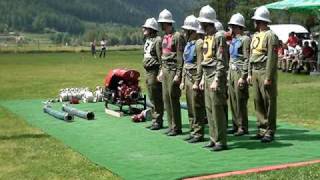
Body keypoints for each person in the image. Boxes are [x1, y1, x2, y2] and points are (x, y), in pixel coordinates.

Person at [197, 5, 229, 151]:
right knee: (209, 109)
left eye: (202, 23)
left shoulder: (219, 36)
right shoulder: (207, 37)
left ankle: (221, 140)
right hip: (207, 74)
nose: (201, 25)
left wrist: (217, 79)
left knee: (217, 109)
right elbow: (205, 59)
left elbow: (221, 60)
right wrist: (203, 78)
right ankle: (213, 137)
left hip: (216, 76)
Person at [248, 6, 279, 143]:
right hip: (255, 71)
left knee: (269, 101)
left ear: (259, 21)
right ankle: (261, 128)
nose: (254, 23)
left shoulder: (271, 36)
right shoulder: (255, 36)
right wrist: (249, 73)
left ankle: (270, 130)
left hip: (264, 71)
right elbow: (251, 55)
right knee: (257, 100)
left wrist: (268, 77)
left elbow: (272, 58)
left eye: (255, 20)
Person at [157, 9, 186, 136]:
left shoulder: (177, 36)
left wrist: (179, 74)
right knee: (166, 98)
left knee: (173, 97)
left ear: (167, 23)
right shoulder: (165, 37)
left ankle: (176, 127)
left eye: (162, 23)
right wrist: (161, 71)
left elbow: (180, 57)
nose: (161, 26)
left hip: (174, 69)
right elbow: (163, 54)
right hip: (165, 69)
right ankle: (170, 125)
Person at [179, 15, 206, 143]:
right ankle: (192, 130)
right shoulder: (188, 44)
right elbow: (185, 62)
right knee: (190, 106)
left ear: (192, 31)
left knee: (197, 106)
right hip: (188, 77)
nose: (184, 32)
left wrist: (197, 81)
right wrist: (183, 80)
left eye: (186, 30)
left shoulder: (199, 43)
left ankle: (198, 132)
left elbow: (200, 63)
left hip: (195, 77)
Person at [227, 13, 250, 136]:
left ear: (240, 27)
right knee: (232, 100)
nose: (232, 28)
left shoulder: (245, 39)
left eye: (234, 26)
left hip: (240, 72)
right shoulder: (233, 40)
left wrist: (243, 76)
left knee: (240, 100)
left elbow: (247, 59)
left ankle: (242, 126)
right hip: (231, 71)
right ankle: (235, 124)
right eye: (231, 26)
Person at [142, 18, 164, 130]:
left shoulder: (157, 40)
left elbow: (161, 58)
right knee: (151, 96)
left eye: (146, 28)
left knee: (156, 97)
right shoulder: (148, 40)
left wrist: (160, 71)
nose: (143, 29)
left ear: (151, 29)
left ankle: (158, 120)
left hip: (154, 71)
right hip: (148, 71)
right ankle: (155, 119)